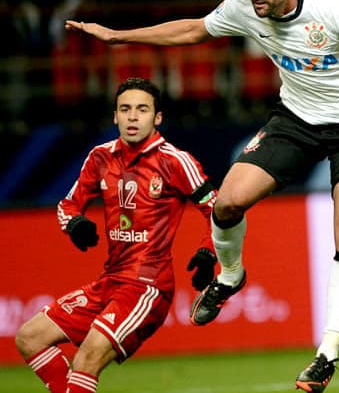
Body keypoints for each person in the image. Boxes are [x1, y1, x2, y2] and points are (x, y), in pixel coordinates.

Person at [65, 0, 339, 392]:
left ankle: (327, 353)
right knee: (226, 204)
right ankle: (231, 275)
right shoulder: (246, 6)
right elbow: (193, 30)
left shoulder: (334, 7)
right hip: (296, 119)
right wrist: (119, 36)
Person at [15, 77, 218, 393]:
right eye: (125, 109)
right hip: (109, 281)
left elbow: (218, 212)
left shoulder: (175, 161)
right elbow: (68, 205)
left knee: (87, 359)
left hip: (147, 286)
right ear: (115, 116)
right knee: (30, 337)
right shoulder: (100, 157)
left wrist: (209, 252)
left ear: (157, 117)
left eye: (142, 109)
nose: (133, 116)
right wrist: (74, 224)